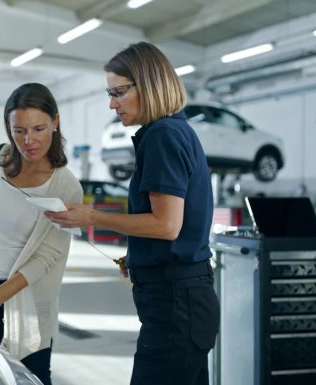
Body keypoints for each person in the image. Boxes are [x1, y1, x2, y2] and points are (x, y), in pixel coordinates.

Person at [45, 42, 219, 385]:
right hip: (185, 297)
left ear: (149, 85)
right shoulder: (174, 131)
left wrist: (91, 217)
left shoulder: (163, 136)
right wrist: (140, 254)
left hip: (175, 306)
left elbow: (167, 225)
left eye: (118, 92)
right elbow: (173, 227)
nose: (112, 104)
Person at [0, 83, 83, 385]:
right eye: (19, 130)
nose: (29, 140)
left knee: (29, 378)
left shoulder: (66, 186)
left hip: (26, 297)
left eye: (38, 129)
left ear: (55, 123)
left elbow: (47, 258)